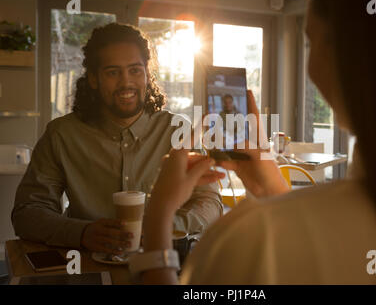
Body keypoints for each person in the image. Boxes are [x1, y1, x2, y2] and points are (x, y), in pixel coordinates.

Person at [137, 0, 376, 284]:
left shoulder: (256, 239)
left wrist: (158, 220)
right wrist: (270, 186)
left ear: (346, 57)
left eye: (311, 41)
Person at [11, 23, 223, 255]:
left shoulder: (178, 131)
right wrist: (82, 233)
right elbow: (27, 212)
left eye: (135, 70)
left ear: (147, 74)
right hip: (86, 266)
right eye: (113, 72)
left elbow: (209, 203)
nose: (126, 83)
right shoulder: (61, 135)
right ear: (93, 79)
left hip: (163, 260)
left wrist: (160, 227)